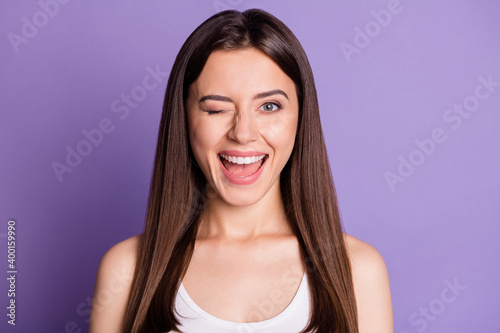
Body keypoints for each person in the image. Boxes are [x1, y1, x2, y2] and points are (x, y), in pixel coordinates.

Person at [89, 8, 393, 333]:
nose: (243, 132)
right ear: (184, 120)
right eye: (217, 108)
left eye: (269, 106)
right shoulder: (127, 270)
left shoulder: (358, 271)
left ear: (301, 118)